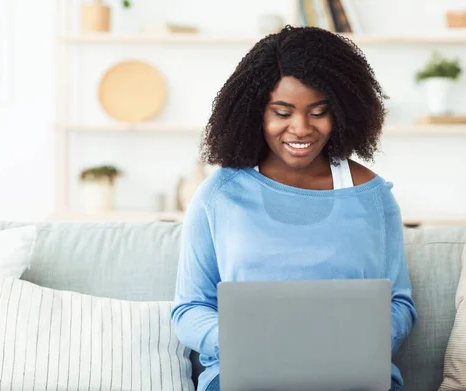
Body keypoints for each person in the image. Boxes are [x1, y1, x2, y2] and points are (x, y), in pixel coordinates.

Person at [171, 25, 417, 391]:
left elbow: (400, 303)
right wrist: (243, 342)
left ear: (342, 113)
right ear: (256, 113)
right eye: (282, 112)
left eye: (318, 112)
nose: (300, 129)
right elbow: (188, 309)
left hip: (351, 380)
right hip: (244, 379)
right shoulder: (218, 196)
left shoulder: (373, 196)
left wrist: (363, 339)